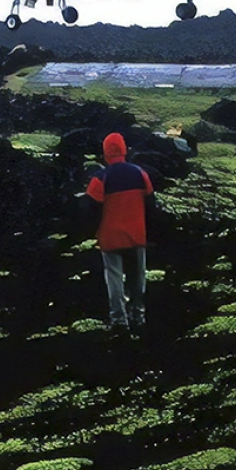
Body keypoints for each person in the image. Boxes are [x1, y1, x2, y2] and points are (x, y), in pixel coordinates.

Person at [86, 133, 154, 334]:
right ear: (125, 150)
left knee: (114, 277)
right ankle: (138, 316)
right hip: (136, 235)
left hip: (111, 237)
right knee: (138, 277)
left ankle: (119, 320)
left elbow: (90, 209)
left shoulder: (100, 178)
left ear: (105, 153)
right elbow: (152, 204)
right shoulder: (140, 174)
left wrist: (92, 232)